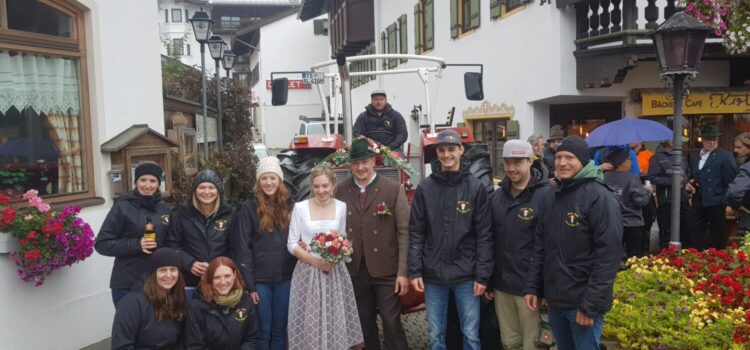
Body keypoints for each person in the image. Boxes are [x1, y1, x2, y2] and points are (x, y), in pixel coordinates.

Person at [524, 136, 622, 350]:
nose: (562, 163)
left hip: (582, 303)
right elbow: (541, 248)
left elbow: (608, 257)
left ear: (584, 161)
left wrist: (590, 306)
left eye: (570, 157)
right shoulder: (551, 196)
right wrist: (534, 287)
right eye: (558, 157)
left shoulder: (599, 197)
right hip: (556, 301)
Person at [408, 129, 493, 350]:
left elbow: (484, 234)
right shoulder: (426, 188)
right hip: (434, 276)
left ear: (461, 150)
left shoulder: (475, 187)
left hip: (466, 275)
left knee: (471, 335)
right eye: (442, 150)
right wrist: (415, 270)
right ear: (437, 152)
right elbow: (416, 231)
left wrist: (483, 276)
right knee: (436, 335)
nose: (447, 155)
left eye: (451, 149)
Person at [335, 138, 410, 350]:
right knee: (363, 325)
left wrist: (403, 272)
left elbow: (404, 233)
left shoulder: (393, 189)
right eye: (356, 163)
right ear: (350, 165)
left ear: (373, 162)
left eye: (365, 162)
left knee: (391, 321)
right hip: (355, 270)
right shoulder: (340, 190)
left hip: (387, 269)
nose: (360, 168)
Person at [286, 166, 364, 349]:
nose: (321, 190)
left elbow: (342, 237)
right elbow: (291, 243)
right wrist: (316, 262)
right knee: (311, 319)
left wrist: (340, 255)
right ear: (312, 186)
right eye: (316, 186)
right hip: (308, 272)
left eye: (325, 186)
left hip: (334, 273)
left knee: (333, 317)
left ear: (333, 185)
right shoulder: (300, 208)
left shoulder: (341, 207)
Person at [487, 140, 550, 350]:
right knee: (509, 343)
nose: (512, 168)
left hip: (529, 289)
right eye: (507, 163)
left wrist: (542, 288)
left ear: (530, 161)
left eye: (518, 162)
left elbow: (550, 247)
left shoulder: (546, 196)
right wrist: (488, 280)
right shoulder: (496, 198)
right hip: (502, 287)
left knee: (533, 344)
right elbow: (489, 241)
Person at [232, 157, 296, 350]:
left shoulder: (292, 206)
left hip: (285, 277)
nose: (269, 182)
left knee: (279, 329)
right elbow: (242, 248)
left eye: (273, 178)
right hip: (260, 281)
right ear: (258, 182)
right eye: (264, 178)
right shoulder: (249, 209)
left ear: (280, 181)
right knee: (263, 329)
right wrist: (250, 286)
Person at [96, 162, 172, 305]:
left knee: (159, 326)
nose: (147, 185)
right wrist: (137, 245)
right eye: (143, 180)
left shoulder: (165, 208)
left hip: (159, 282)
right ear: (136, 181)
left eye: (153, 181)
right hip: (128, 282)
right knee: (130, 326)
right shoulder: (123, 207)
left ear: (159, 183)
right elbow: (102, 244)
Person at [166, 170, 238, 297]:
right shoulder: (181, 214)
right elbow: (172, 245)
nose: (206, 192)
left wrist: (223, 268)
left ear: (218, 191)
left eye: (211, 187)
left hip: (222, 281)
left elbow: (235, 247)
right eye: (202, 187)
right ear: (194, 190)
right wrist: (190, 263)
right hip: (190, 280)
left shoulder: (230, 214)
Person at [111, 248, 186, 350]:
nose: (169, 275)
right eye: (163, 270)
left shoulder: (179, 298)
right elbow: (121, 345)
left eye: (173, 269)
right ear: (153, 274)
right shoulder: (132, 303)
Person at [185, 256, 259, 349]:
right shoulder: (196, 307)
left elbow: (251, 338)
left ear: (234, 275)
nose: (223, 282)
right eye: (217, 277)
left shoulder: (246, 301)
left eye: (227, 276)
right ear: (210, 279)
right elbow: (195, 346)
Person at [688, 124, 737, 249]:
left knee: (718, 233)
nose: (712, 142)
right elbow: (694, 176)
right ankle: (697, 257)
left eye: (714, 139)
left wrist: (726, 199)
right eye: (709, 139)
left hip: (717, 199)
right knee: (695, 231)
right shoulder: (696, 157)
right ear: (702, 140)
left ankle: (719, 258)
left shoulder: (725, 156)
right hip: (698, 198)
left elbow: (731, 180)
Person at [603, 147, 652, 258]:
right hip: (632, 223)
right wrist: (648, 192)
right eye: (629, 159)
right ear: (621, 163)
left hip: (611, 223)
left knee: (612, 257)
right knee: (633, 259)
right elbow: (640, 201)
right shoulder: (632, 178)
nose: (632, 161)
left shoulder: (604, 177)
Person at [648, 141, 690, 250]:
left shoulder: (682, 157)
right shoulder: (657, 158)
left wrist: (684, 181)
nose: (682, 144)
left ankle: (684, 259)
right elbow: (653, 178)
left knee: (685, 229)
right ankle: (666, 258)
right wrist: (673, 181)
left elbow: (687, 174)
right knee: (667, 231)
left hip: (683, 199)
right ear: (670, 142)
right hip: (667, 200)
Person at [727, 132, 750, 237]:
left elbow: (734, 192)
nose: (735, 150)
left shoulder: (747, 168)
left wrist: (736, 205)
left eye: (739, 147)